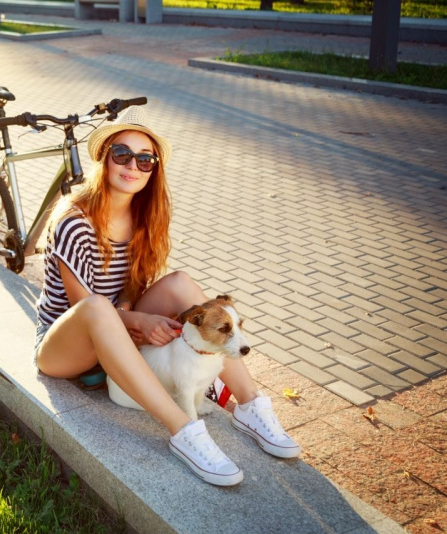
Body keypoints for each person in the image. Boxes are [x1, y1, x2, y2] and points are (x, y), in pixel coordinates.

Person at [33, 106, 300, 487]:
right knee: (97, 307)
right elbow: (84, 307)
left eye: (145, 160)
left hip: (114, 325)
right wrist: (138, 321)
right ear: (104, 157)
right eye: (122, 154)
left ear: (154, 169)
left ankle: (250, 405)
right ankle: (183, 430)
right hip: (65, 345)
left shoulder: (145, 218)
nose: (133, 166)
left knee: (181, 284)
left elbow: (130, 287)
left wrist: (128, 309)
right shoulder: (75, 220)